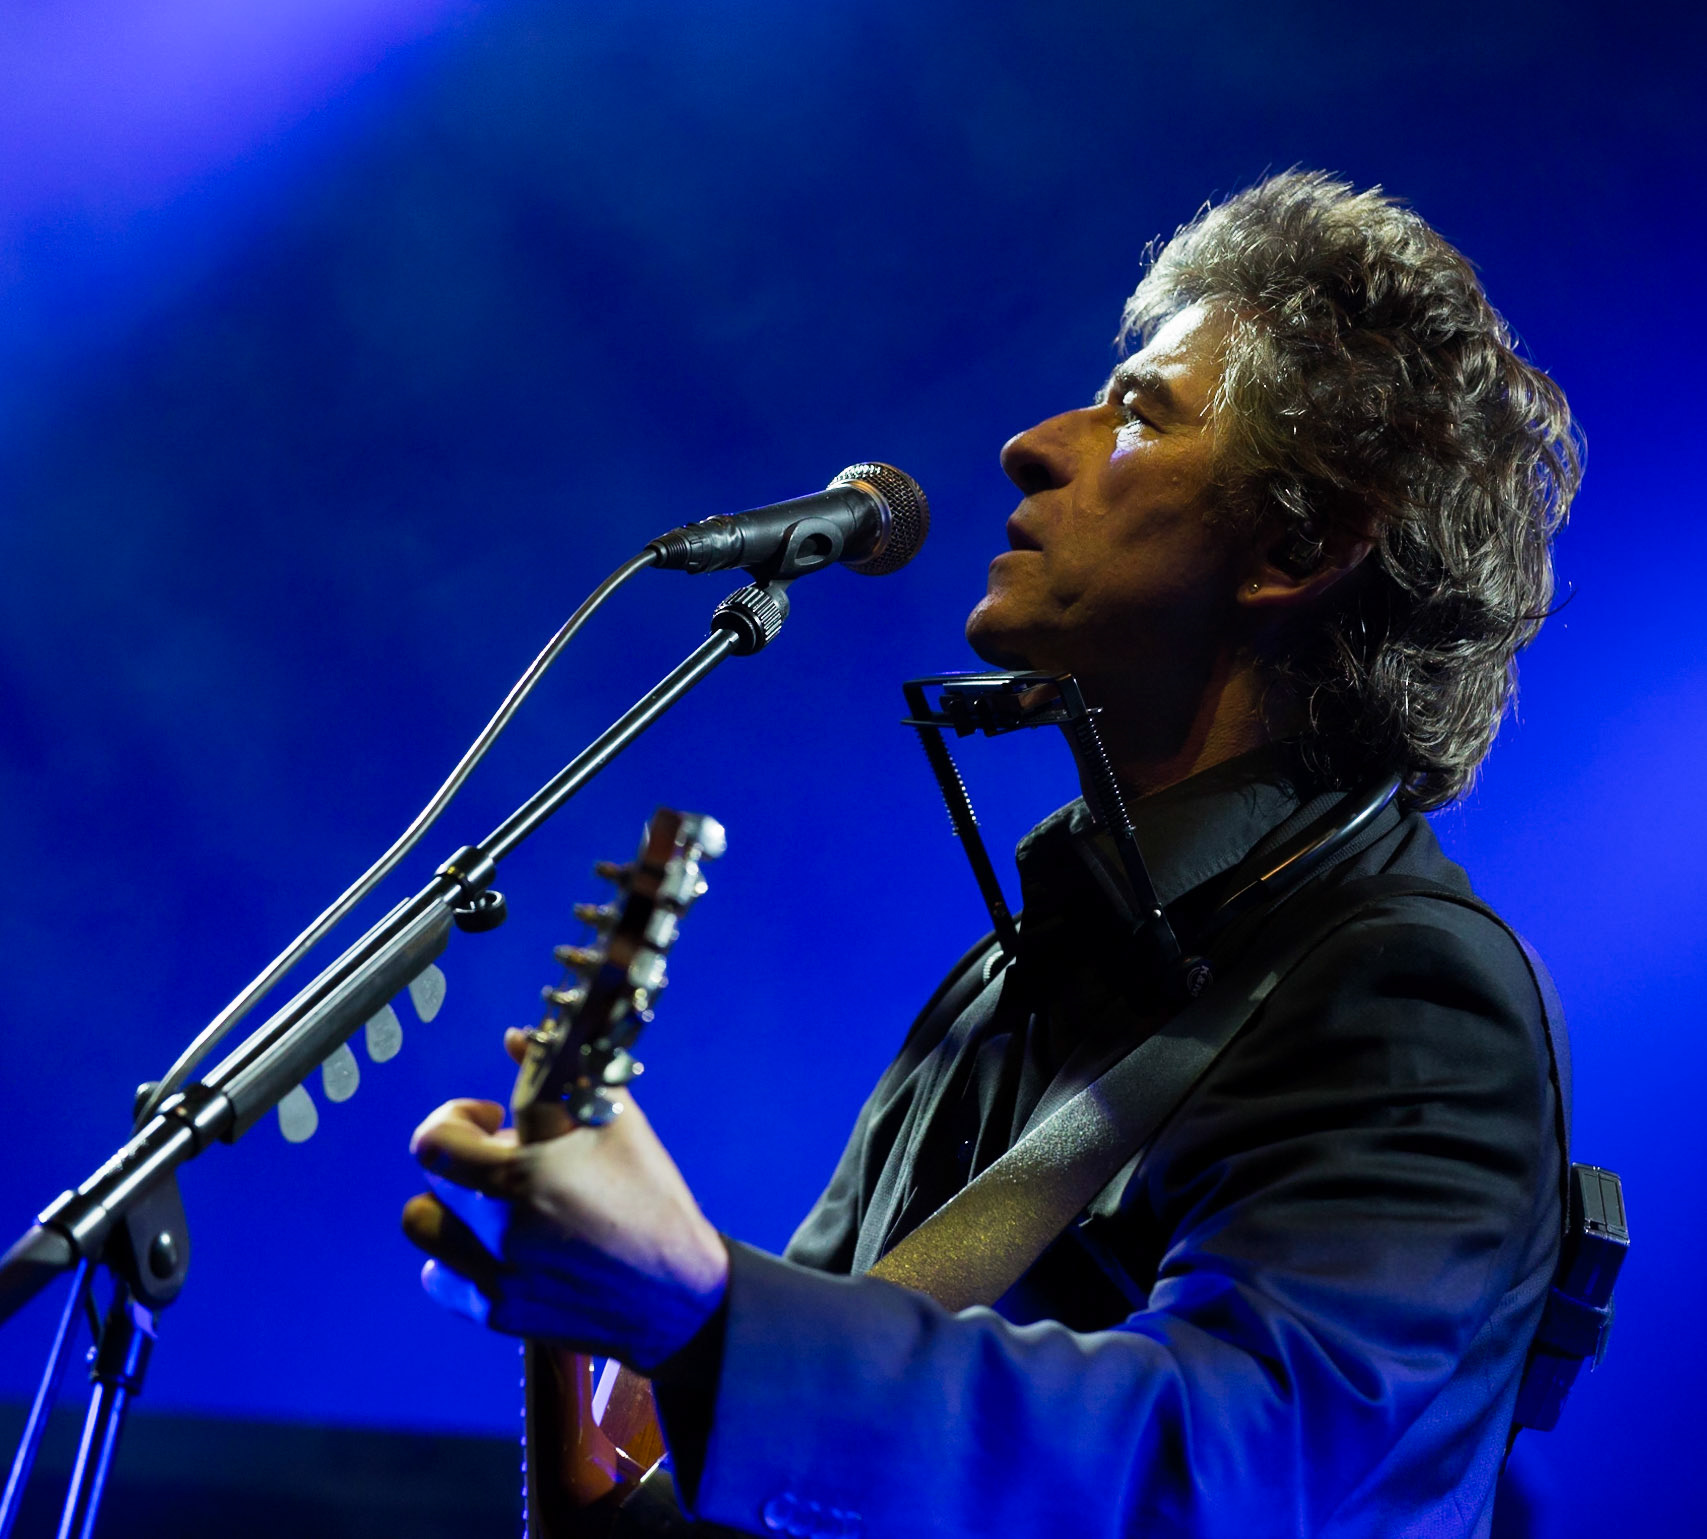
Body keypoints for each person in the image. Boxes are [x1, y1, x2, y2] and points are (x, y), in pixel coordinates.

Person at [401, 171, 1584, 1538]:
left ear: (1302, 542)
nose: (1031, 444)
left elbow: (1224, 1476)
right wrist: (583, 1325)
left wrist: (698, 1307)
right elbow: (763, 1490)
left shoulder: (1411, 995)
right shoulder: (1005, 989)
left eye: (1141, 410)